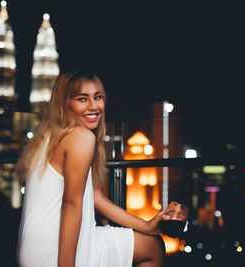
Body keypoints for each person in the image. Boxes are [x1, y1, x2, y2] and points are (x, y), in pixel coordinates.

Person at [16, 70, 168, 267]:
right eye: (82, 99)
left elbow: (95, 196)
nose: (94, 106)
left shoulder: (47, 137)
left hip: (34, 248)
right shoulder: (81, 137)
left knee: (151, 244)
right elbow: (70, 204)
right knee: (153, 248)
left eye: (98, 97)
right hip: (56, 252)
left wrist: (147, 226)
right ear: (65, 103)